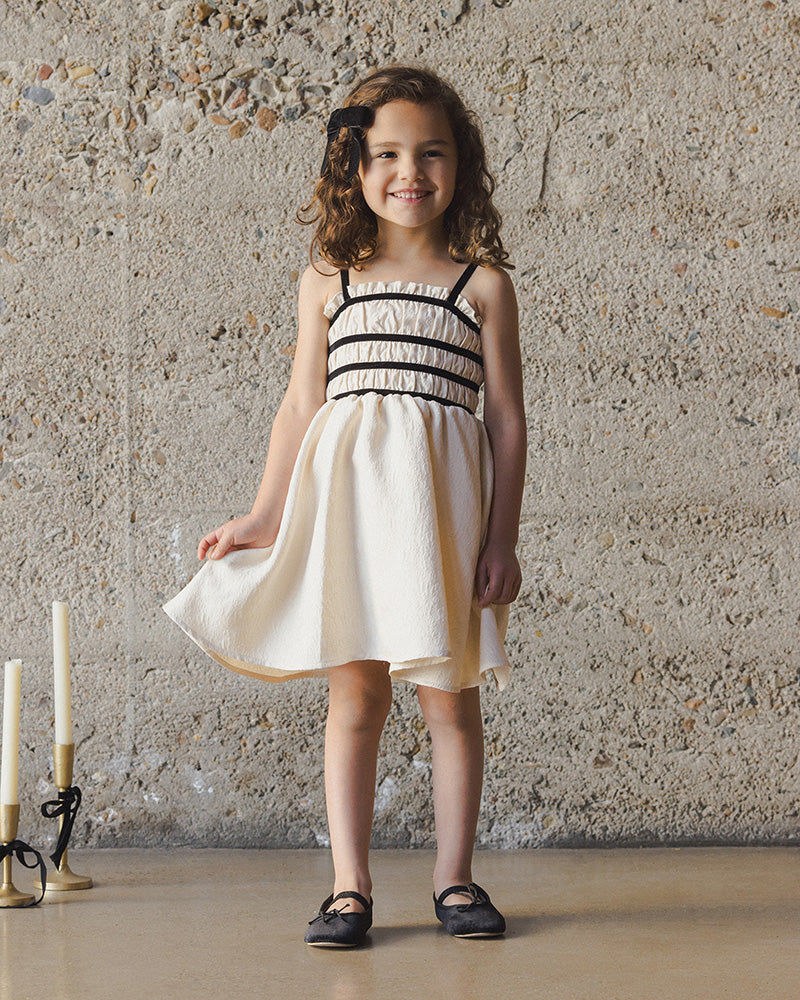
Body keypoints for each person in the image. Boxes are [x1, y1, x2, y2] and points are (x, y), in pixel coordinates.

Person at [162, 64, 526, 947]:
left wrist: (502, 540)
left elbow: (507, 419)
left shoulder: (480, 285)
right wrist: (263, 514)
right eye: (388, 153)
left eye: (432, 153)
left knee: (449, 699)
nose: (411, 172)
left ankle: (456, 881)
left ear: (460, 166)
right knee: (355, 697)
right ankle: (349, 888)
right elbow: (301, 405)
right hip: (352, 523)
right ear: (353, 168)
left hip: (438, 524)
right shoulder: (332, 277)